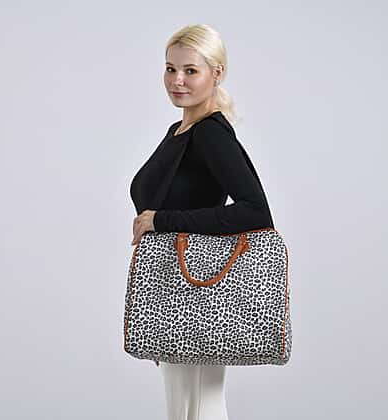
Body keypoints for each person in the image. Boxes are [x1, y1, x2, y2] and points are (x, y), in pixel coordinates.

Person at [129, 23, 274, 420]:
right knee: (185, 406)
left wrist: (161, 220)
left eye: (190, 70)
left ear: (217, 73)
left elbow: (255, 211)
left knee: (199, 405)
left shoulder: (210, 133)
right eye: (170, 68)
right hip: (173, 283)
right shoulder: (180, 130)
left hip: (197, 287)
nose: (177, 80)